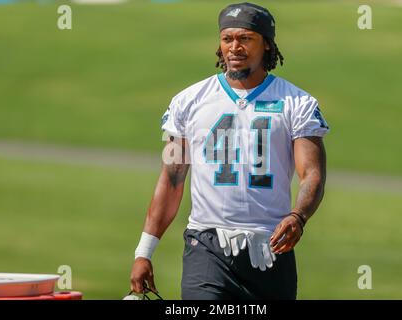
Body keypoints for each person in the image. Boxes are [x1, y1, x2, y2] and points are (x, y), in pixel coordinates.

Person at [130, 2, 329, 300]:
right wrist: (144, 252)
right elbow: (171, 181)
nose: (234, 47)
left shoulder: (296, 103)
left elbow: (312, 173)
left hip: (272, 246)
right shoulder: (189, 102)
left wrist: (298, 217)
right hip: (207, 247)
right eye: (227, 39)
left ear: (267, 45)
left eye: (245, 38)